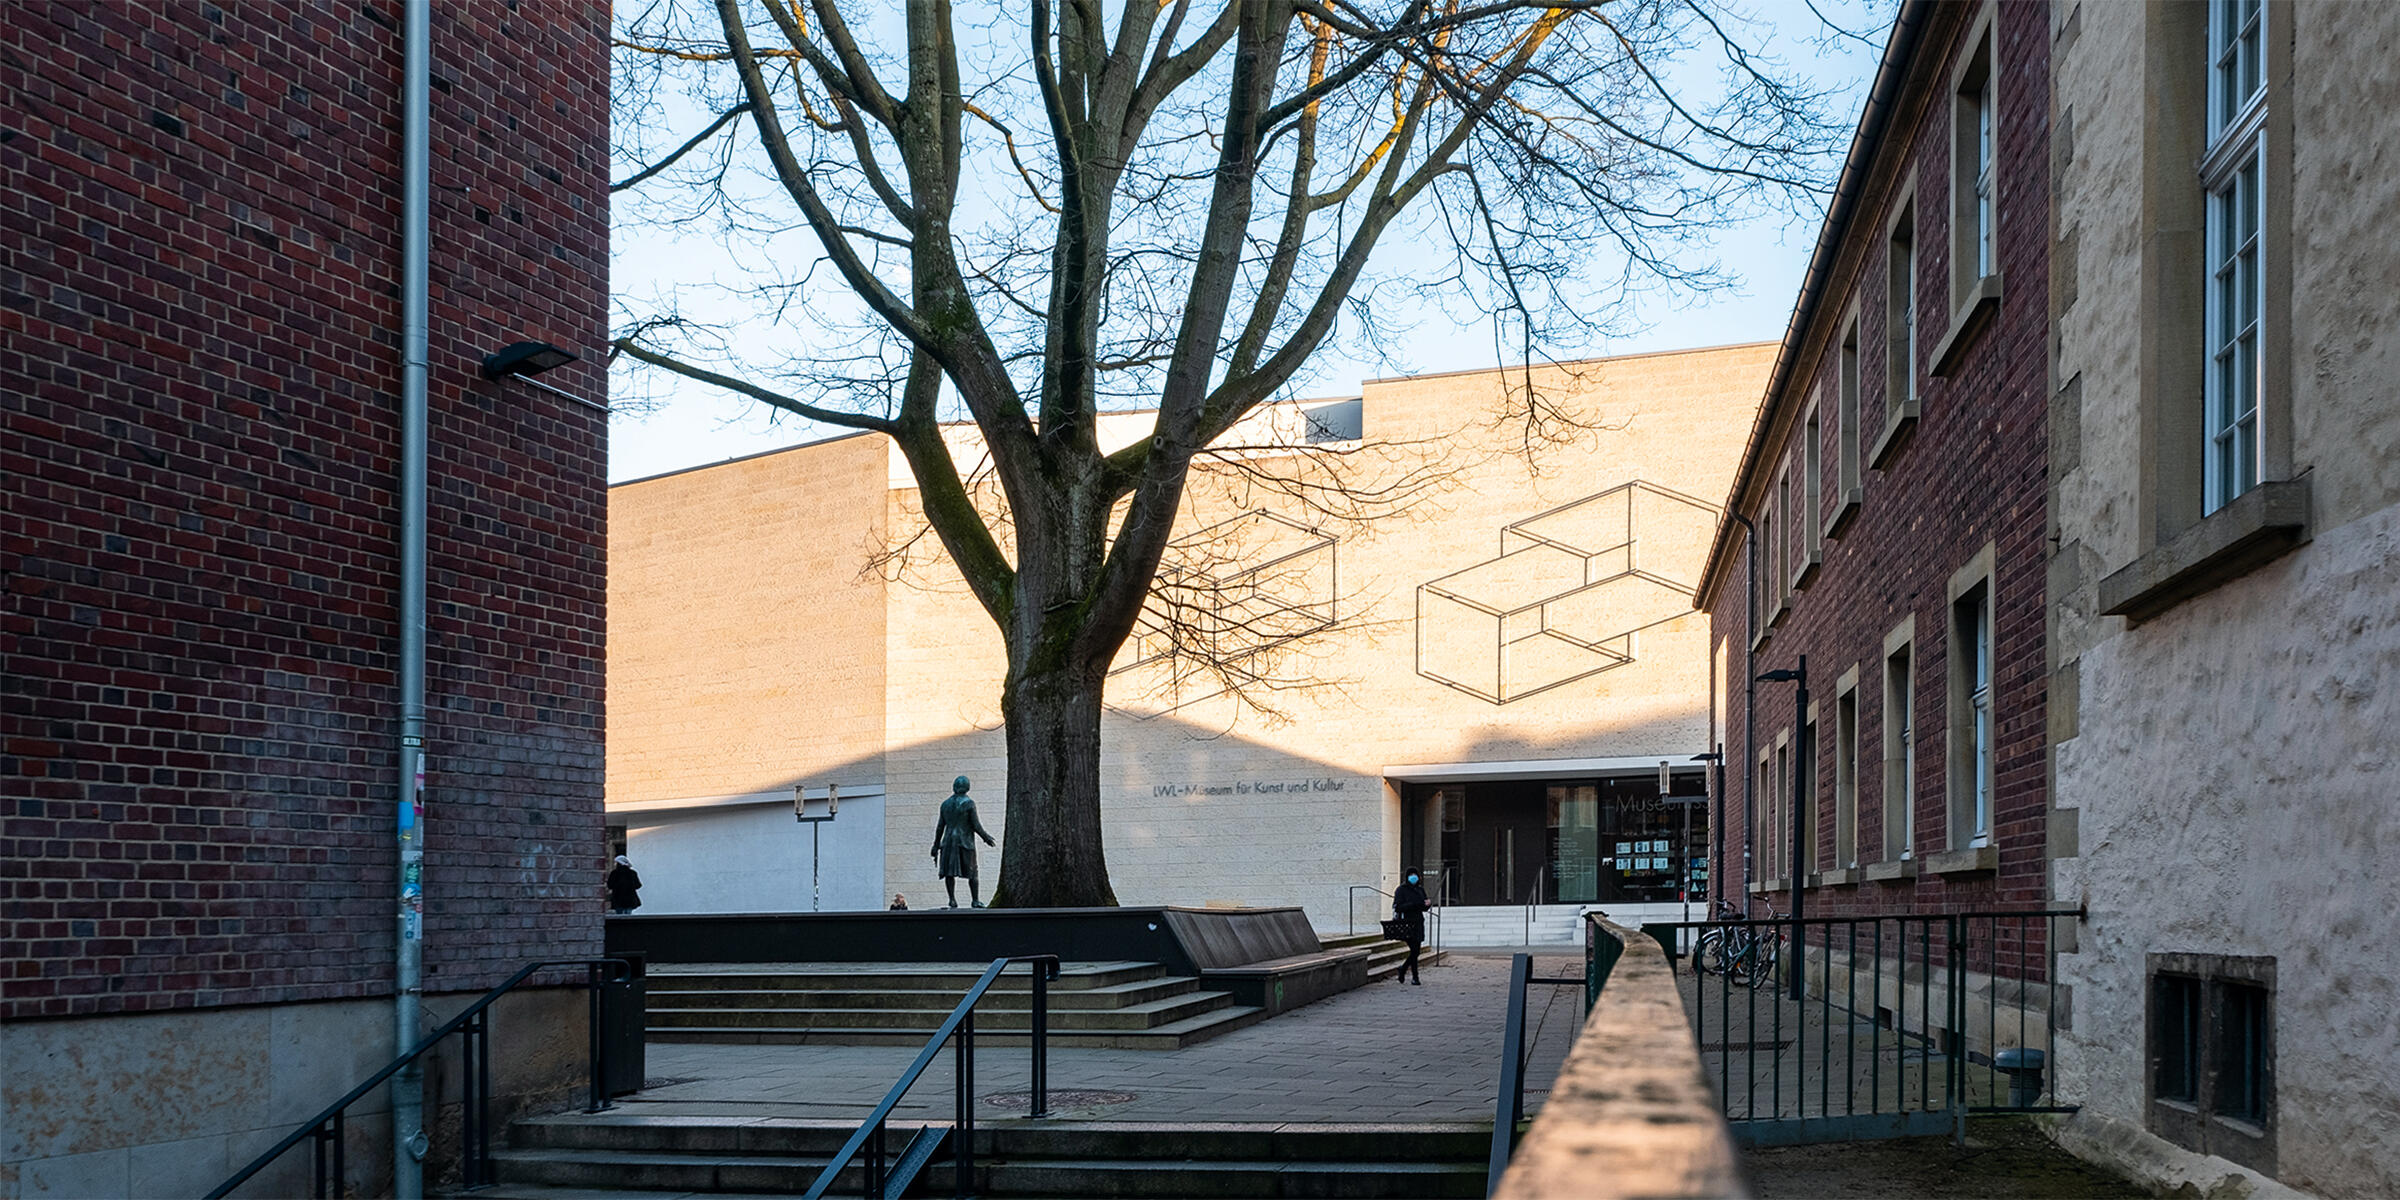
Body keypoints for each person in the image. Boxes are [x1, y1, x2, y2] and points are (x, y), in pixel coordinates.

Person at [932, 775, 997, 908]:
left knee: (949, 872)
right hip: (964, 842)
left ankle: (952, 899)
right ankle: (975, 900)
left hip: (948, 841)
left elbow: (940, 827)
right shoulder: (969, 803)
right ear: (967, 788)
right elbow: (975, 825)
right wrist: (986, 837)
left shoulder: (945, 804)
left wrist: (936, 845)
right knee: (973, 871)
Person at [1391, 870, 1431, 985]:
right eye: (1411, 875)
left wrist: (1426, 905)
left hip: (1418, 922)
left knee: (1416, 950)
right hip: (1406, 923)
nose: (1414, 878)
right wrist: (1414, 904)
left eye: (1416, 875)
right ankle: (1415, 976)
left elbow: (1423, 906)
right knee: (1414, 950)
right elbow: (1398, 907)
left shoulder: (1420, 890)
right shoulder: (1401, 890)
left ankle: (1403, 969)